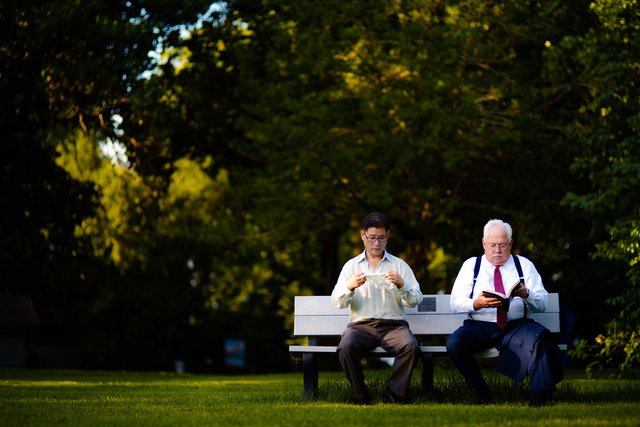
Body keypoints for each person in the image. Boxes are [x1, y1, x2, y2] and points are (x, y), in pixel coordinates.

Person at [446, 219, 564, 406]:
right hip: (480, 325)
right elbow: (455, 303)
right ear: (484, 243)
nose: (497, 250)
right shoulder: (471, 265)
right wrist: (476, 303)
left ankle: (540, 397)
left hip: (515, 325)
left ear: (510, 243)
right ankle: (481, 391)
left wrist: (527, 294)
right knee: (454, 343)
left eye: (502, 245)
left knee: (540, 337)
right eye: (492, 245)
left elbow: (542, 303)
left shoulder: (524, 265)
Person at [331, 212, 423, 405]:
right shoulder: (351, 266)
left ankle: (394, 394)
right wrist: (350, 286)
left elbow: (415, 300)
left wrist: (401, 284)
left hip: (394, 326)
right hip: (360, 327)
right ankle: (360, 396)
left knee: (411, 346)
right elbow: (337, 302)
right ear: (363, 235)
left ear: (387, 235)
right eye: (372, 238)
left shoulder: (399, 265)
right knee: (345, 347)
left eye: (381, 238)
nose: (376, 243)